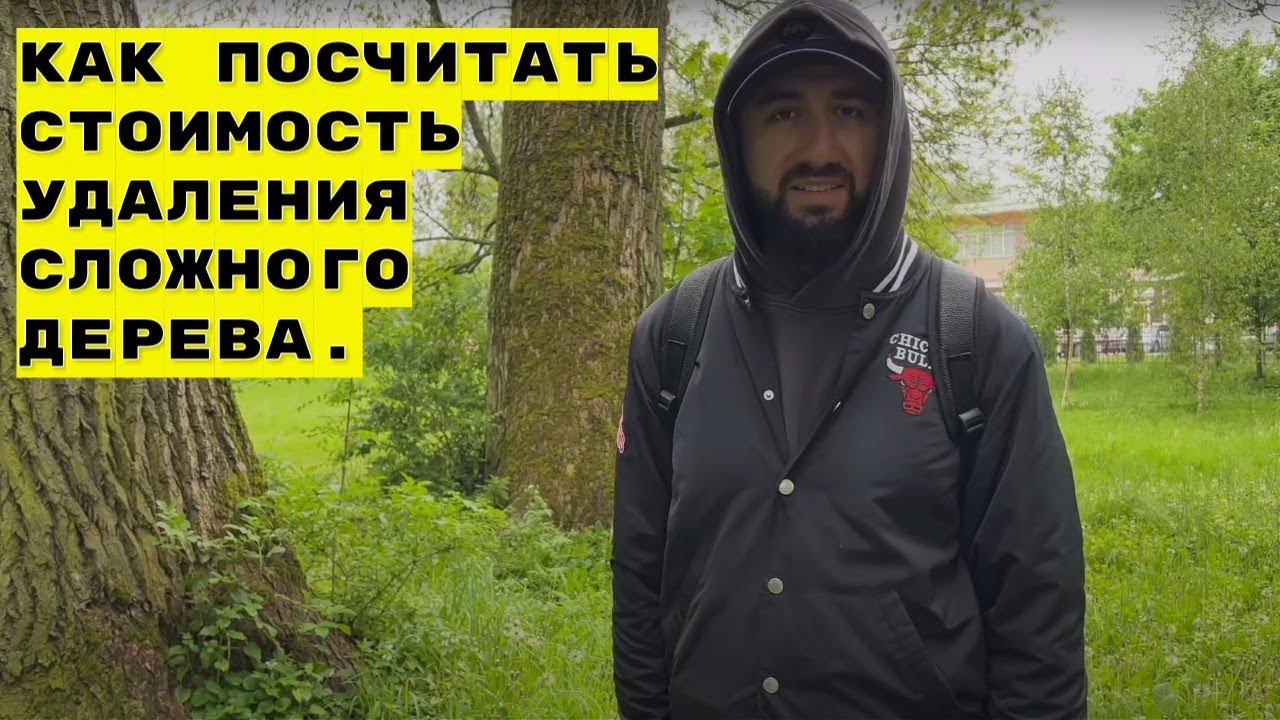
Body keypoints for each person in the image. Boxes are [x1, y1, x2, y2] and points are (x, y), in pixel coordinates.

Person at [610, 0, 1087, 718]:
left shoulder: (976, 340)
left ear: (888, 134)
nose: (821, 147)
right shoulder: (673, 335)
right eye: (783, 114)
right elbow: (640, 577)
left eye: (851, 112)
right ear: (737, 141)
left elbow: (1038, 616)